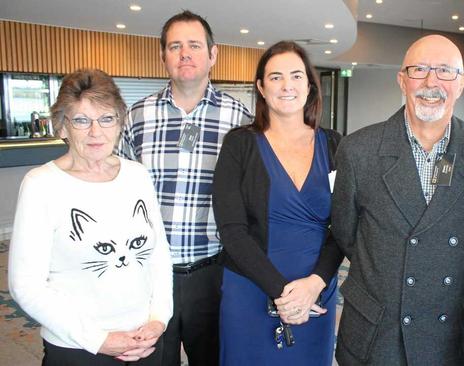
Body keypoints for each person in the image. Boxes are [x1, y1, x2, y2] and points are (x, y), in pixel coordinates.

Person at [331, 34, 464, 365]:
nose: (431, 82)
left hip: (446, 332)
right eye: (419, 69)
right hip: (376, 331)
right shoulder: (357, 150)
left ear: (462, 83)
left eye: (444, 71)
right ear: (402, 80)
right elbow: (347, 234)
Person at [8, 69, 173, 366]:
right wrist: (100, 340)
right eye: (82, 120)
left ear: (120, 123)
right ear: (62, 127)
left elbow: (158, 256)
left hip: (144, 339)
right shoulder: (41, 184)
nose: (96, 132)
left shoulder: (137, 175)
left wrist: (159, 319)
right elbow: (26, 285)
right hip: (78, 347)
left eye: (106, 118)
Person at [116, 10, 251, 366]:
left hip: (212, 272)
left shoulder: (240, 119)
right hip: (146, 273)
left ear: (213, 54)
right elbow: (114, 191)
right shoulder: (137, 116)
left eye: (194, 45)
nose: (185, 53)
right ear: (163, 56)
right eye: (175, 46)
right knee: (150, 359)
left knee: (213, 359)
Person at [212, 41, 342, 365]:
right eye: (276, 77)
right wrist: (283, 293)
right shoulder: (239, 144)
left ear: (310, 86)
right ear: (261, 87)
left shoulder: (336, 145)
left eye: (297, 76)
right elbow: (231, 230)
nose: (287, 86)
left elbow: (345, 226)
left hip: (316, 294)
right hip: (251, 291)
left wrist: (314, 285)